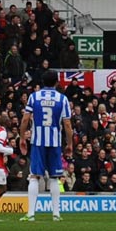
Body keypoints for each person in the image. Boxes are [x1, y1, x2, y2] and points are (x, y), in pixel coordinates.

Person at [19, 70, 73, 223]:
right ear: (56, 82)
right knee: (55, 178)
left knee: (34, 176)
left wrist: (22, 138)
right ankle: (56, 214)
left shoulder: (34, 96)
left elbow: (25, 120)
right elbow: (67, 124)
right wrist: (70, 144)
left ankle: (30, 214)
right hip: (54, 142)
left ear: (42, 82)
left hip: (38, 142)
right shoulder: (62, 99)